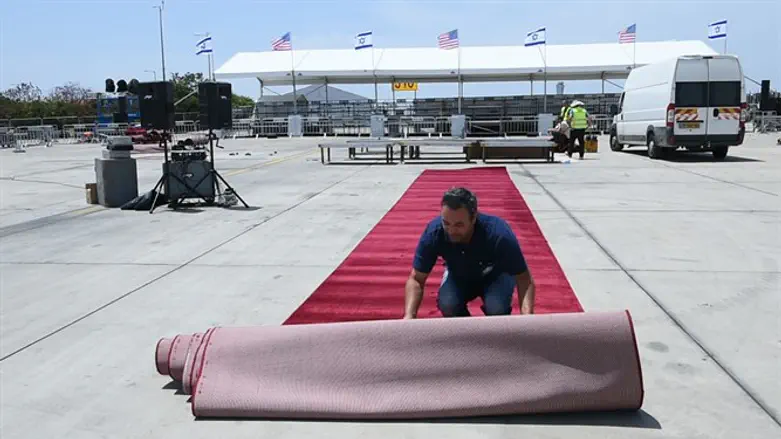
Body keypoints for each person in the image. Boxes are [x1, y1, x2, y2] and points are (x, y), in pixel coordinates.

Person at [403, 187, 535, 319]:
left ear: (473, 218)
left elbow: (524, 278)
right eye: (446, 223)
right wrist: (409, 316)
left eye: (459, 225)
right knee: (448, 304)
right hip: (458, 274)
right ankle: (466, 331)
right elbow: (416, 279)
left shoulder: (499, 234)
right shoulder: (434, 233)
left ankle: (496, 330)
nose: (451, 231)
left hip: (496, 275)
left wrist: (527, 318)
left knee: (496, 307)